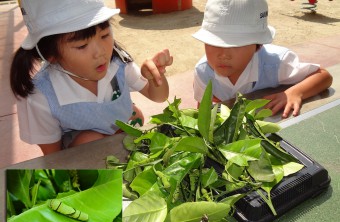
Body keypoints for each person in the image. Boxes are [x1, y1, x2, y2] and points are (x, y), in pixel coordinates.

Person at [10, 0, 173, 155]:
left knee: (135, 117)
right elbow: (53, 156)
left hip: (120, 127)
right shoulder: (40, 96)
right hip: (81, 152)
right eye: (82, 46)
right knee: (90, 140)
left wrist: (155, 77)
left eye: (104, 35)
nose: (101, 52)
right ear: (50, 54)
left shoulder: (117, 63)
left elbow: (159, 96)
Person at [192, 0, 332, 118]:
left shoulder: (276, 63)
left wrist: (293, 93)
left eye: (236, 45)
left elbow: (324, 76)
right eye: (214, 43)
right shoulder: (203, 72)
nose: (223, 54)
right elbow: (203, 108)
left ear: (258, 46)